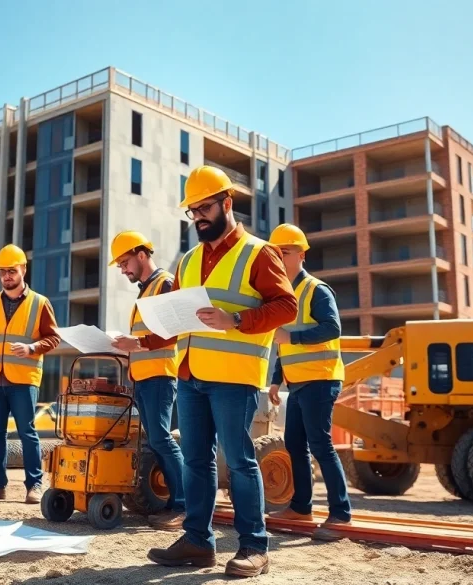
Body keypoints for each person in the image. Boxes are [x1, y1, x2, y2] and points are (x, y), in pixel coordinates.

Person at [141, 165, 297, 578]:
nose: (198, 218)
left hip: (235, 375)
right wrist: (137, 343)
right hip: (191, 376)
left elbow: (287, 307)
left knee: (241, 461)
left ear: (228, 203)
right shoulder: (189, 260)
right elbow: (175, 319)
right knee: (196, 461)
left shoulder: (259, 252)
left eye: (205, 208)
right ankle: (198, 542)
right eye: (192, 212)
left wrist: (237, 320)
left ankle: (253, 547)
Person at [267, 223, 352, 540]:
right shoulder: (283, 296)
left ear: (301, 254)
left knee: (321, 445)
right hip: (298, 384)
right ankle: (301, 506)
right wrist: (276, 380)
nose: (278, 258)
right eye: (274, 254)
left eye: (284, 252)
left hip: (321, 380)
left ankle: (341, 514)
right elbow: (281, 343)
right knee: (294, 445)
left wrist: (292, 335)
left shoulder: (317, 290)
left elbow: (332, 329)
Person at [0, 244, 62, 504]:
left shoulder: (40, 303)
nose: (6, 276)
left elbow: (53, 338)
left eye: (11, 270)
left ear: (23, 269)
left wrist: (32, 347)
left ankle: (35, 485)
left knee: (27, 432)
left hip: (23, 379)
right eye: (2, 272)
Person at [109, 230, 186, 530]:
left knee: (163, 440)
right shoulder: (146, 289)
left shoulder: (165, 284)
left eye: (125, 262)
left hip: (160, 376)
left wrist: (136, 344)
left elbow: (173, 331)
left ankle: (183, 506)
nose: (123, 269)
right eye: (119, 265)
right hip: (144, 377)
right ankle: (173, 502)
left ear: (142, 255)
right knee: (156, 441)